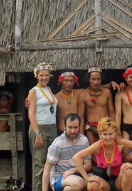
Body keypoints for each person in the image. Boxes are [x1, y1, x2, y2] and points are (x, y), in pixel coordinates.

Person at [73, 117, 132, 191]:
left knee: (128, 171)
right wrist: (86, 177)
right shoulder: (97, 145)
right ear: (100, 135)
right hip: (103, 181)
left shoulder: (119, 142)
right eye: (105, 134)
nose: (108, 137)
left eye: (110, 134)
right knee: (92, 185)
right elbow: (76, 157)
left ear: (115, 134)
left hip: (118, 180)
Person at [29, 62, 59, 191]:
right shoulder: (33, 91)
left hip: (52, 128)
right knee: (39, 163)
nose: (44, 78)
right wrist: (37, 134)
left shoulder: (49, 89)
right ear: (37, 76)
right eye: (41, 75)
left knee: (52, 161)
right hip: (39, 127)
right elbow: (30, 114)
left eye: (46, 75)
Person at [42, 113, 91, 191]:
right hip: (60, 178)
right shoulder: (58, 144)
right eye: (70, 127)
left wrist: (73, 170)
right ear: (64, 127)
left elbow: (88, 166)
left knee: (95, 183)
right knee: (78, 182)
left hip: (78, 174)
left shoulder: (84, 140)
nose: (73, 131)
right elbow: (47, 168)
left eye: (76, 127)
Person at [78, 67, 116, 144]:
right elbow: (81, 116)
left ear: (101, 80)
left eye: (98, 79)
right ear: (89, 79)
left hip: (106, 126)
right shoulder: (83, 95)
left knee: (107, 150)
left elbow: (112, 113)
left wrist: (114, 129)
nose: (96, 82)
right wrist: (81, 134)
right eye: (93, 79)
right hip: (90, 127)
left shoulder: (107, 92)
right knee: (93, 152)